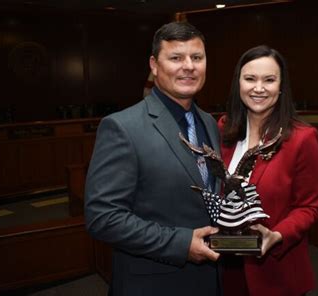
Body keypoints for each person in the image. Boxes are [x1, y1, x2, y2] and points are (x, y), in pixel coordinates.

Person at [85, 21, 222, 296]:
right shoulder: (122, 126)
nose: (189, 66)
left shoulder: (209, 123)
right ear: (154, 65)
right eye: (175, 58)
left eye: (197, 57)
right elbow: (103, 217)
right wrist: (181, 244)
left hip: (209, 280)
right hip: (153, 283)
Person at [219, 45, 318, 296]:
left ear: (281, 86)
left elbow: (310, 207)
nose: (258, 88)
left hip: (277, 272)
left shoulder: (302, 138)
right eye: (250, 78)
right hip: (226, 266)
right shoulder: (223, 128)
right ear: (239, 83)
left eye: (269, 80)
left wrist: (277, 235)